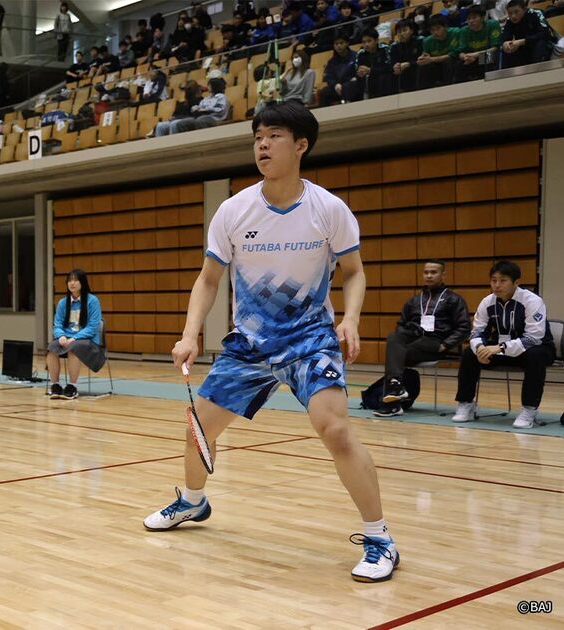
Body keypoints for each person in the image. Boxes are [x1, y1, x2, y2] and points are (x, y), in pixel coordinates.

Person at [143, 101, 400, 584]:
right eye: (258, 136)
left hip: (310, 340)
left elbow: (355, 272)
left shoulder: (328, 210)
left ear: (300, 145)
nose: (262, 144)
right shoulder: (234, 210)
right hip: (251, 344)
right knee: (200, 427)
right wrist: (188, 333)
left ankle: (380, 537)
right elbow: (208, 279)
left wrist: (351, 319)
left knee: (336, 430)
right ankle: (194, 503)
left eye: (275, 135)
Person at [453, 260, 556, 429]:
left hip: (536, 348)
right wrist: (480, 349)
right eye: (493, 280)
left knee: (535, 355)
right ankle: (466, 403)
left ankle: (529, 409)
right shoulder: (487, 302)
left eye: (503, 280)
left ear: (516, 282)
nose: (497, 285)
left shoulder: (532, 301)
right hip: (501, 349)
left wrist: (500, 348)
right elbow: (477, 332)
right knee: (469, 354)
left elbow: (534, 338)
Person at [376, 260, 469, 417]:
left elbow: (464, 328)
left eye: (434, 272)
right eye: (426, 272)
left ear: (443, 275)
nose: (429, 276)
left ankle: (392, 403)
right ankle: (396, 387)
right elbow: (401, 325)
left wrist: (446, 345)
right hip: (415, 342)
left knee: (395, 355)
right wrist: (406, 333)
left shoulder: (454, 299)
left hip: (436, 343)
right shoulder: (413, 301)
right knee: (394, 339)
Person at [46, 269, 105, 401]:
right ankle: (55, 385)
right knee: (52, 348)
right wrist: (60, 336)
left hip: (87, 340)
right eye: (69, 280)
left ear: (82, 282)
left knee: (74, 348)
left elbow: (93, 326)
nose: (72, 283)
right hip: (66, 338)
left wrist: (74, 338)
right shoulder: (63, 303)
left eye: (75, 280)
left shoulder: (92, 301)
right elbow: (57, 324)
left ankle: (72, 387)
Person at [153, 74, 229, 136]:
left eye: (209, 85)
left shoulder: (221, 97)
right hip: (200, 116)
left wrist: (204, 109)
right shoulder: (207, 98)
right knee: (160, 126)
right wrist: (196, 108)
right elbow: (200, 106)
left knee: (176, 124)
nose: (207, 87)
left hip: (212, 117)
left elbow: (219, 109)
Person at [500, 0, 553, 69]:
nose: (513, 16)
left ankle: (538, 71)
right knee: (507, 50)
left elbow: (545, 33)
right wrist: (505, 44)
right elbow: (505, 37)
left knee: (540, 44)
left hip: (541, 44)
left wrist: (522, 41)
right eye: (510, 13)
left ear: (524, 9)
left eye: (516, 12)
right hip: (523, 46)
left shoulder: (535, 13)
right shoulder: (509, 21)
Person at [454, 5, 501, 82]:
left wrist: (475, 55)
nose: (471, 21)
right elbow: (461, 52)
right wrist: (465, 57)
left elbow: (495, 48)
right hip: (471, 58)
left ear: (482, 17)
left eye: (474, 17)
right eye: (468, 18)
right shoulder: (464, 31)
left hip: (487, 55)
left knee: (489, 58)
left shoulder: (492, 25)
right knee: (458, 66)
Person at [347, 27, 393, 101]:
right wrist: (359, 73)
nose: (366, 44)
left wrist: (371, 71)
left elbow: (390, 68)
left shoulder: (385, 49)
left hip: (382, 78)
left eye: (369, 41)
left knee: (384, 77)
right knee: (351, 84)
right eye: (364, 42)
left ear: (376, 40)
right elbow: (356, 71)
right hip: (367, 80)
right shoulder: (361, 54)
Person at [416, 15, 460, 89]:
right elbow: (426, 56)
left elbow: (457, 53)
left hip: (453, 62)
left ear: (445, 26)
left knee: (450, 61)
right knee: (423, 67)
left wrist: (432, 59)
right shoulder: (427, 41)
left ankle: (450, 88)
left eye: (438, 28)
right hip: (438, 66)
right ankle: (421, 91)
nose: (435, 32)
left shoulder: (456, 33)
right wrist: (422, 59)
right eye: (432, 30)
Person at [318, 35, 357, 106]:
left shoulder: (355, 56)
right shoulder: (332, 61)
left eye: (341, 43)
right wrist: (335, 85)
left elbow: (359, 71)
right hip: (337, 87)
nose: (338, 46)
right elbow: (329, 77)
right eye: (336, 44)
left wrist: (355, 78)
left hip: (351, 85)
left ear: (347, 43)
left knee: (347, 87)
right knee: (323, 92)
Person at [390, 19, 424, 93]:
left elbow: (423, 60)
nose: (401, 34)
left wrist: (409, 64)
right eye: (399, 32)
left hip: (417, 68)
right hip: (403, 72)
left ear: (411, 31)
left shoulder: (420, 41)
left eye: (404, 30)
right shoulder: (394, 47)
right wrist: (395, 66)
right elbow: (392, 63)